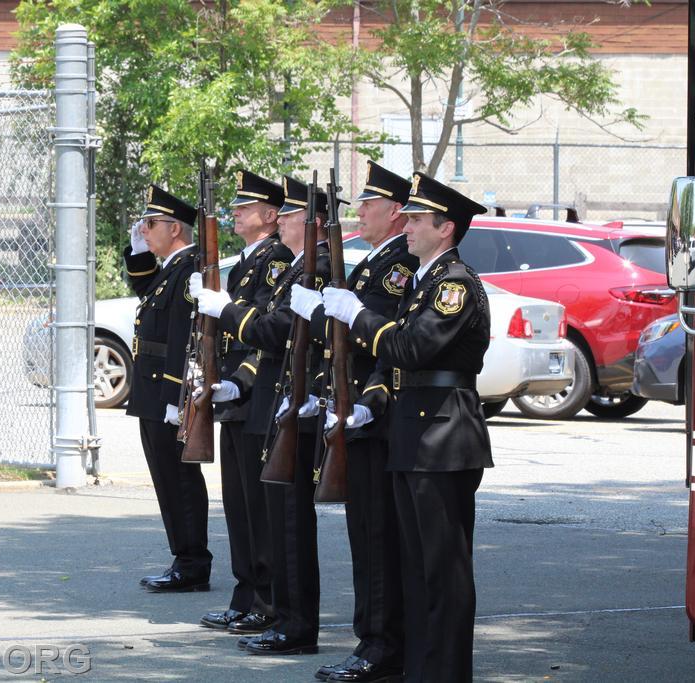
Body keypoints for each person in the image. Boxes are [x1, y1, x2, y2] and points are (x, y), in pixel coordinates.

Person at [321, 172, 494, 682]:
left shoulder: (454, 285)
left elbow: (412, 348)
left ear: (446, 229)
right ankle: (420, 669)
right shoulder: (424, 283)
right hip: (413, 433)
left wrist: (358, 317)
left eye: (418, 220)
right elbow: (397, 358)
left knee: (443, 573)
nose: (409, 226)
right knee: (415, 571)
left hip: (443, 436)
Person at [191, 174, 332, 655]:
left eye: (291, 214)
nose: (284, 222)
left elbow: (271, 332)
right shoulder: (289, 265)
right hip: (260, 396)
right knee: (248, 509)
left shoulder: (293, 264)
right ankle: (260, 601)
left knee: (278, 519)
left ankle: (278, 611)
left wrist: (242, 374)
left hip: (272, 397)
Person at [289, 161, 418, 682]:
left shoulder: (396, 268)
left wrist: (320, 315)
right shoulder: (371, 263)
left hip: (375, 414)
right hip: (350, 410)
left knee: (376, 536)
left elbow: (372, 338)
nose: (360, 211)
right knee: (364, 536)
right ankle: (373, 639)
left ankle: (382, 647)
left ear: (395, 213)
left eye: (369, 204)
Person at [197, 170, 292, 635]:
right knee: (236, 503)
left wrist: (241, 381)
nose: (235, 212)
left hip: (255, 395)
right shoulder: (243, 263)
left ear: (270, 216)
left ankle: (266, 599)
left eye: (245, 206)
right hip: (233, 396)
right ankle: (245, 593)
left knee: (257, 504)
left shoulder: (276, 262)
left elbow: (266, 337)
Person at [125, 184, 212, 593]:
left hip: (166, 393)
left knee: (178, 477)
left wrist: (177, 398)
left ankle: (192, 562)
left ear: (174, 228)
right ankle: (184, 556)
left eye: (151, 224)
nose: (145, 229)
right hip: (152, 390)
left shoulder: (190, 267)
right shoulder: (172, 267)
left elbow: (183, 336)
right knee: (165, 475)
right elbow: (148, 292)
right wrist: (139, 252)